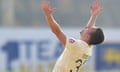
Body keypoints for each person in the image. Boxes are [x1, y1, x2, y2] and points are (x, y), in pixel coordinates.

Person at [41, 0, 104, 72]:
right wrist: (93, 16)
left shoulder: (77, 45)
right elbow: (89, 31)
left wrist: (48, 15)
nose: (87, 27)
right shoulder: (88, 47)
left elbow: (57, 32)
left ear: (87, 37)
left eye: (89, 28)